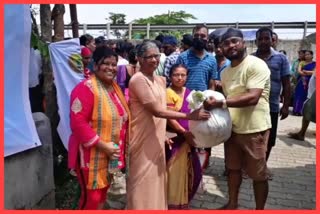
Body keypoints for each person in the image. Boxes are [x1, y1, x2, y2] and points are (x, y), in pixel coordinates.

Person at [126, 41, 210, 210]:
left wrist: (163, 133)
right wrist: (189, 115)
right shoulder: (138, 80)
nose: (154, 60)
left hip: (157, 136)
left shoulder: (160, 80)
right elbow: (157, 110)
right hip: (141, 136)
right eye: (149, 56)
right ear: (140, 59)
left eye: (156, 56)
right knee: (141, 179)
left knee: (156, 179)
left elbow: (162, 110)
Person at [204, 28, 271, 210]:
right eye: (226, 43)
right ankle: (232, 203)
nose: (231, 46)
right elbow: (229, 99)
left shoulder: (256, 64)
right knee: (232, 169)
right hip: (232, 129)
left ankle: (259, 209)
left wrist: (221, 103)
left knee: (258, 174)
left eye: (234, 41)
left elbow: (252, 97)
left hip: (254, 130)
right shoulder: (225, 72)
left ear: (243, 43)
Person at [68, 47, 130, 210]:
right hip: (90, 155)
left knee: (102, 195)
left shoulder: (113, 88)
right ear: (95, 65)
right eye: (106, 64)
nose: (111, 68)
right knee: (92, 199)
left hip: (110, 155)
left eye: (114, 64)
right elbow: (78, 123)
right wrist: (104, 146)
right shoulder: (86, 88)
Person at [176, 24, 218, 168]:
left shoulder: (211, 60)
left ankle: (201, 168)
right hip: (186, 103)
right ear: (193, 37)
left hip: (204, 104)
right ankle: (186, 167)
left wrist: (210, 102)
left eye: (203, 36)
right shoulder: (183, 57)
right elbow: (178, 80)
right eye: (197, 36)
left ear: (208, 38)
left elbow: (212, 83)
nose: (199, 38)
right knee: (187, 135)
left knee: (205, 135)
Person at [165, 64, 202, 209]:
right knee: (174, 173)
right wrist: (183, 132)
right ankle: (172, 204)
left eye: (183, 75)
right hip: (175, 139)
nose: (179, 78)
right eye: (176, 75)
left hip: (190, 139)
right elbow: (170, 117)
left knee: (191, 172)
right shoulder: (168, 93)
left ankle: (183, 201)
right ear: (170, 76)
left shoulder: (191, 93)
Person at [252, 27, 291, 162]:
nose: (263, 41)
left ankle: (263, 165)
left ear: (272, 40)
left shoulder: (281, 58)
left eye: (266, 38)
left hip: (272, 106)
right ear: (256, 41)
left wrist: (285, 106)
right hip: (252, 106)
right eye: (260, 39)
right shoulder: (250, 59)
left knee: (269, 139)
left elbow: (286, 84)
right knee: (251, 137)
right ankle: (249, 165)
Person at [288, 70, 316, 141]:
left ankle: (302, 133)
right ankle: (301, 133)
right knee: (306, 114)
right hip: (311, 94)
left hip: (314, 95)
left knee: (308, 113)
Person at [292, 50, 316, 115]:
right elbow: (299, 71)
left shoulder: (315, 64)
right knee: (299, 95)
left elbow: (314, 72)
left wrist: (307, 72)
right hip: (302, 81)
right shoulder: (302, 62)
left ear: (312, 55)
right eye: (305, 55)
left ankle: (305, 112)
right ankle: (297, 110)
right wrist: (306, 73)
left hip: (311, 82)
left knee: (307, 96)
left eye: (308, 54)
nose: (307, 56)